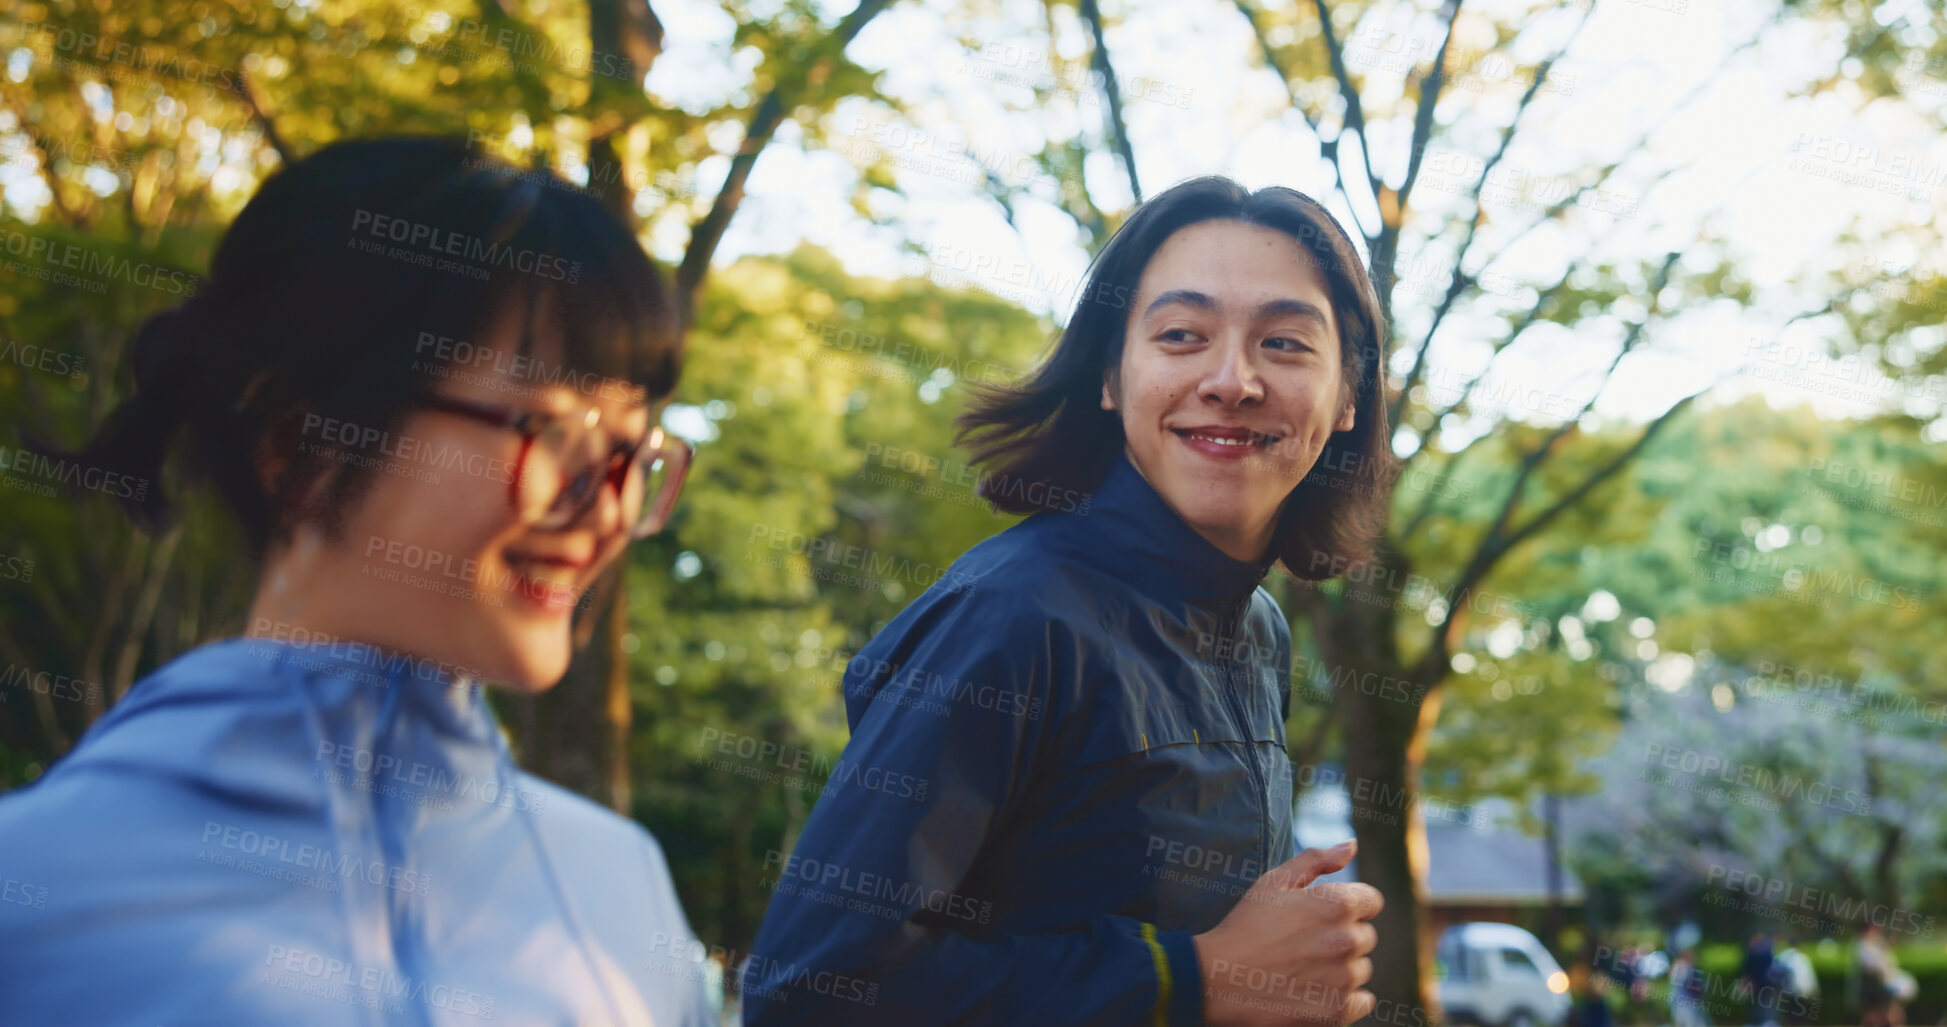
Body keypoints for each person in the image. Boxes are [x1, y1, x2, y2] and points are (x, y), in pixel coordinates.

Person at [0, 137, 711, 1024]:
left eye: (633, 451)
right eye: (553, 429)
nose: (606, 509)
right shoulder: (34, 898)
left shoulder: (620, 882)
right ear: (300, 445)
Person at [743, 176, 1394, 1025]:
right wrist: (1187, 978)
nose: (1231, 379)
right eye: (1181, 334)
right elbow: (802, 988)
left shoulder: (1260, 629)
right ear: (1110, 378)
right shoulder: (1012, 615)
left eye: (1285, 343)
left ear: (1347, 397)